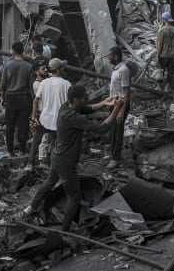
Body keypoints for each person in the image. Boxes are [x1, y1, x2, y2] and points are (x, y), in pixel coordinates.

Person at [22, 86, 124, 230]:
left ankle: (31, 208)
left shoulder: (66, 107)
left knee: (50, 181)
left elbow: (88, 108)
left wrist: (105, 103)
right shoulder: (73, 117)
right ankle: (64, 232)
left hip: (57, 156)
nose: (87, 99)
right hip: (65, 161)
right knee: (74, 198)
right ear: (76, 100)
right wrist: (117, 108)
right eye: (84, 97)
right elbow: (102, 128)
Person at [32, 58, 71, 170]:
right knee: (57, 142)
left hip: (45, 118)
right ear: (58, 69)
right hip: (60, 119)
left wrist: (34, 117)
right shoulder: (66, 84)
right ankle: (54, 163)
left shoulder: (44, 83)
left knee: (44, 140)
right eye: (62, 67)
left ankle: (43, 162)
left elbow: (35, 101)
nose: (63, 69)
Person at [0, 41, 33, 159]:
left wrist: (2, 98)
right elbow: (31, 85)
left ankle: (10, 152)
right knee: (23, 125)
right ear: (22, 51)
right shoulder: (28, 66)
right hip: (24, 98)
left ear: (13, 51)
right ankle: (22, 152)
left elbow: (3, 84)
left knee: (10, 126)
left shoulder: (7, 65)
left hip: (10, 97)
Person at [107, 47, 131, 169]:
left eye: (110, 55)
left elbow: (126, 92)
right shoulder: (116, 69)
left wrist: (122, 111)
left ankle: (115, 158)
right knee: (112, 130)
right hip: (114, 104)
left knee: (117, 132)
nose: (108, 58)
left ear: (116, 56)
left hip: (120, 106)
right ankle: (112, 154)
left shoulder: (123, 70)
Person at [27, 61, 51, 169]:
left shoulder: (44, 82)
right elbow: (36, 101)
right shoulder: (38, 85)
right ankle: (41, 161)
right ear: (37, 72)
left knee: (41, 138)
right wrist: (34, 117)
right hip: (43, 114)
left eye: (46, 68)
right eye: (43, 69)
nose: (46, 70)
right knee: (42, 139)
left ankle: (33, 162)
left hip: (45, 114)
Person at [157, 12, 174, 87]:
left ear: (164, 19)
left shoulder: (162, 31)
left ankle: (160, 86)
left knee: (161, 70)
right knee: (170, 71)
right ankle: (168, 85)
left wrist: (157, 55)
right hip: (173, 54)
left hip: (164, 55)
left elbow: (160, 44)